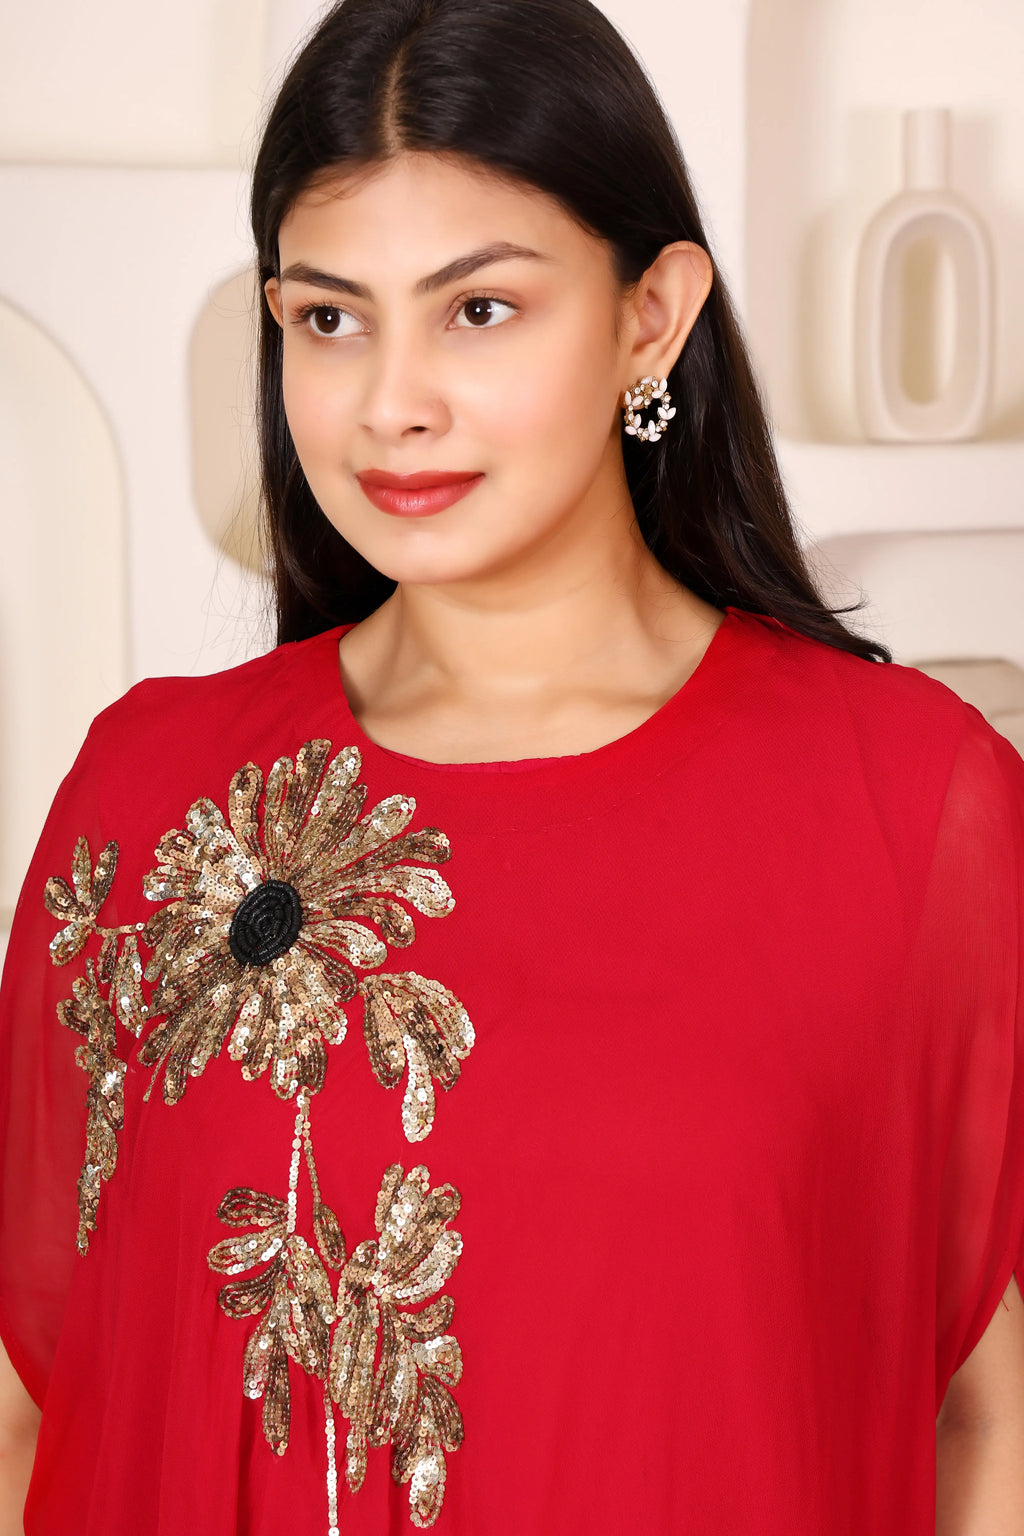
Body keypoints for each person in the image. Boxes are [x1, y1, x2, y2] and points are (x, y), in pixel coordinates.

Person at [2, 0, 1023, 1530]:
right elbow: (33, 1398)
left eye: (478, 309)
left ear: (651, 317)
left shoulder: (912, 808)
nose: (391, 403)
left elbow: (991, 1415)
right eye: (328, 319)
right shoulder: (150, 794)